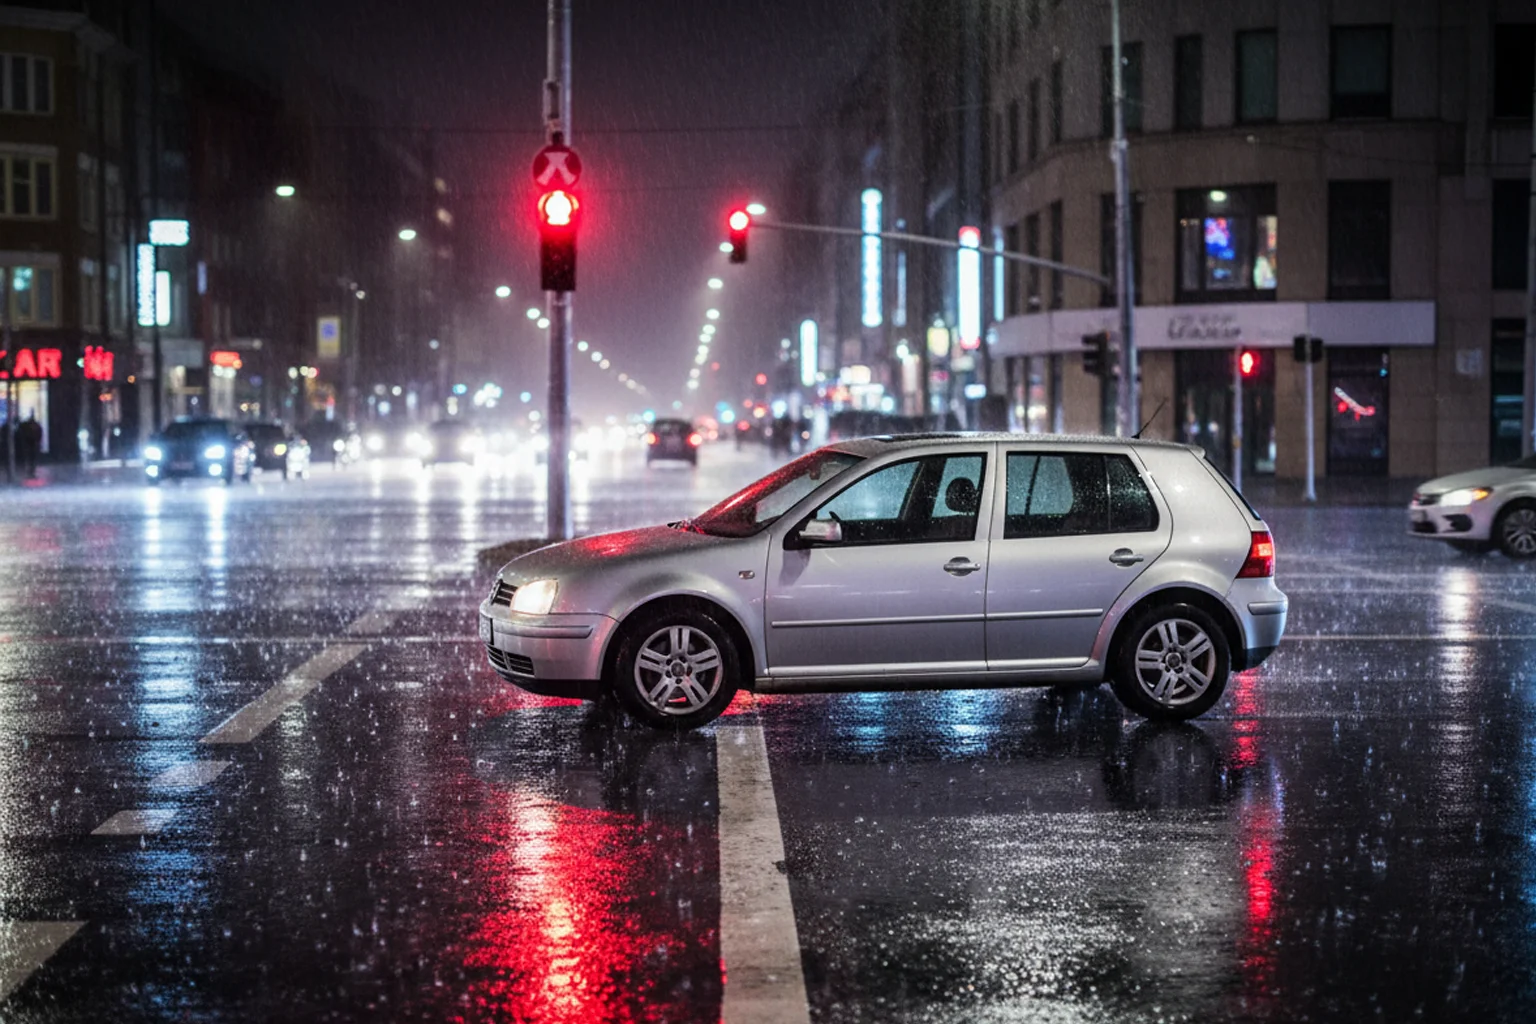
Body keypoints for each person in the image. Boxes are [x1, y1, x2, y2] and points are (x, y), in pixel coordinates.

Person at [17, 413, 42, 478]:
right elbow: (39, 435)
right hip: (32, 444)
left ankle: (30, 471)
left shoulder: (26, 426)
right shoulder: (36, 426)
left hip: (29, 444)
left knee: (29, 458)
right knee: (32, 459)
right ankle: (31, 471)